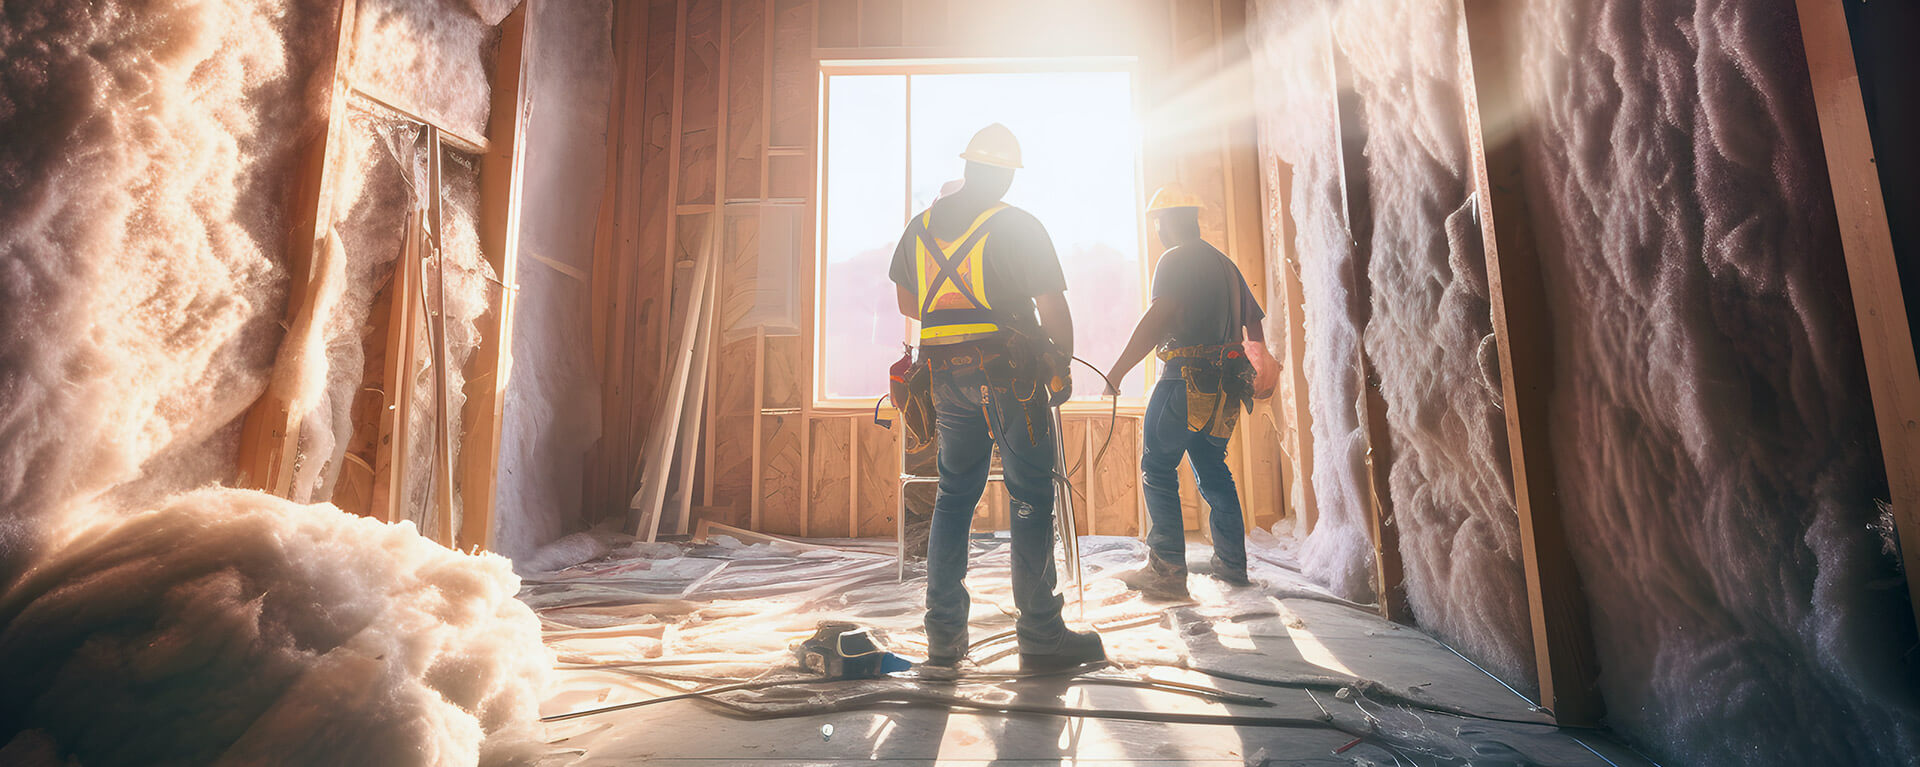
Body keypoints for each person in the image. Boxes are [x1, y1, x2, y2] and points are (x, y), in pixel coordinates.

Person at [889, 123, 1105, 680]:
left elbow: (906, 298)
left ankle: (943, 637)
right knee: (1030, 495)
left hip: (945, 378)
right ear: (1006, 174)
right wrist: (1061, 367)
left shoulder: (922, 225)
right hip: (1009, 379)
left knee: (954, 496)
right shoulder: (1017, 225)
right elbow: (1052, 309)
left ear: (968, 168)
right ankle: (1040, 634)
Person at [1103, 184, 1267, 599]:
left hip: (1184, 379)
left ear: (1168, 221)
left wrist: (1118, 371)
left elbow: (1160, 317)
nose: (1158, 230)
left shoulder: (1174, 259)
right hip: (1228, 386)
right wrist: (1260, 371)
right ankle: (1232, 565)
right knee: (1213, 469)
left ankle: (1167, 569)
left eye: (1159, 222)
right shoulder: (1226, 265)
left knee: (1158, 468)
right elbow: (1254, 326)